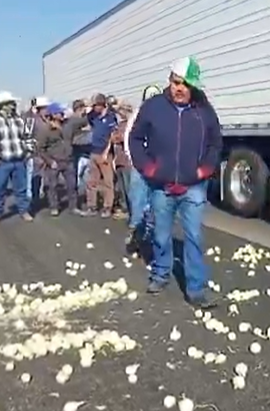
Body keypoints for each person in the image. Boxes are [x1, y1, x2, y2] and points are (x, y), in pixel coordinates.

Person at [128, 56, 222, 308]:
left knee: (194, 237)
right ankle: (160, 274)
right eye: (176, 82)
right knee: (161, 235)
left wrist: (204, 170)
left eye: (185, 84)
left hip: (193, 187)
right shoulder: (153, 107)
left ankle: (196, 289)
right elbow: (135, 139)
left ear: (194, 86)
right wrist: (149, 168)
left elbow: (215, 143)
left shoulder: (204, 110)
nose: (180, 88)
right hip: (162, 186)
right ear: (169, 81)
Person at [0, 91, 34, 223]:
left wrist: (28, 151)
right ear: (1, 106)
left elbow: (27, 137)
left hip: (19, 160)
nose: (13, 106)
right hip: (1, 162)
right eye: (10, 104)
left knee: (21, 188)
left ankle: (24, 210)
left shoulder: (18, 120)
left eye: (13, 104)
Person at [124, 85, 163, 253]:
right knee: (138, 200)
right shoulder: (138, 115)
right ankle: (135, 234)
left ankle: (151, 235)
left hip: (159, 167)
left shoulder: (165, 116)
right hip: (140, 166)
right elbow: (129, 138)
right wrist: (134, 160)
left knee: (157, 202)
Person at [34, 103, 78, 216]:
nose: (62, 114)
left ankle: (73, 207)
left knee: (72, 185)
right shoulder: (46, 130)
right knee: (52, 186)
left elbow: (80, 121)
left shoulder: (67, 126)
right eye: (59, 113)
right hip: (54, 161)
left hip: (68, 159)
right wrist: (49, 161)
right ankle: (54, 206)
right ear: (53, 115)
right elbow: (40, 148)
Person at [84, 93, 118, 217]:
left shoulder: (111, 117)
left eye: (96, 106)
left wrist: (106, 152)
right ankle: (91, 206)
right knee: (92, 181)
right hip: (93, 151)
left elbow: (112, 136)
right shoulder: (93, 116)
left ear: (102, 105)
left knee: (108, 182)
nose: (94, 108)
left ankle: (107, 207)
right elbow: (85, 115)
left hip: (105, 153)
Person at [64, 99, 91, 210]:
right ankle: (75, 204)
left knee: (81, 178)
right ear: (80, 109)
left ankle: (81, 201)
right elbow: (87, 120)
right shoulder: (75, 120)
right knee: (77, 179)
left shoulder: (71, 121)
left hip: (80, 152)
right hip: (76, 153)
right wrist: (91, 112)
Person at [25, 96, 50, 204]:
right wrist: (32, 151)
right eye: (45, 108)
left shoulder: (48, 120)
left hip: (47, 152)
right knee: (35, 175)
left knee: (46, 175)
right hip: (36, 152)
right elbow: (27, 136)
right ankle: (34, 197)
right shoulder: (31, 120)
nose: (47, 110)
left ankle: (43, 195)